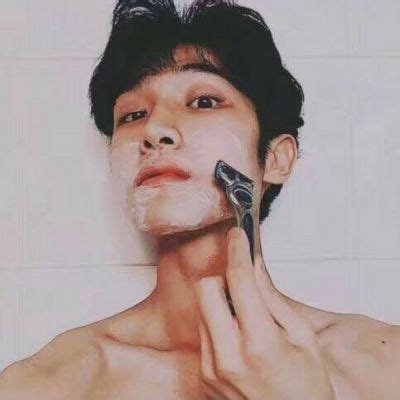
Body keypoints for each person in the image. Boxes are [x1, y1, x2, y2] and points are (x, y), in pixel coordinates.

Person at [1, 0, 399, 399]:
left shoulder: (385, 363)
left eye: (203, 102)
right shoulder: (47, 385)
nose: (154, 130)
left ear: (276, 159)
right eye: (133, 115)